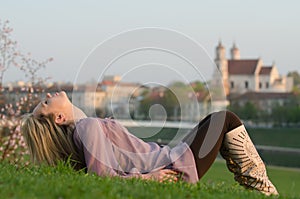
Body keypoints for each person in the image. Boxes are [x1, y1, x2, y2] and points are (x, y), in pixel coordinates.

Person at [21, 91, 278, 196]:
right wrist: (150, 180)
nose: (47, 96)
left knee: (215, 120)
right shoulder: (86, 127)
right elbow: (102, 175)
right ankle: (264, 189)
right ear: (58, 117)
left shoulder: (86, 126)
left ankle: (257, 185)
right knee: (225, 119)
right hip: (174, 166)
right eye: (45, 103)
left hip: (170, 156)